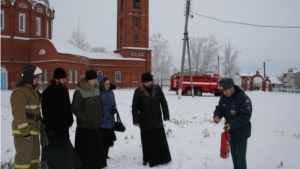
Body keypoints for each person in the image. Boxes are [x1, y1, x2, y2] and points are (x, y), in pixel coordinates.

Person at [41, 68, 81, 168]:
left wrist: (70, 119)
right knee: (54, 152)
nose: (65, 81)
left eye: (65, 79)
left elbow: (68, 106)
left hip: (63, 128)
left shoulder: (64, 90)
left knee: (63, 150)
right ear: (56, 80)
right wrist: (50, 128)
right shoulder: (48, 92)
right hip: (53, 129)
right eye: (63, 79)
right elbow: (47, 112)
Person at [132, 73, 172, 167]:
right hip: (145, 121)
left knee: (160, 140)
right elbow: (135, 107)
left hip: (157, 120)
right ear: (143, 82)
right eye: (146, 82)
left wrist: (166, 115)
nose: (149, 83)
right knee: (147, 141)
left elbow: (163, 102)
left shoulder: (157, 89)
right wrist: (136, 120)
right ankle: (147, 159)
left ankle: (163, 158)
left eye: (150, 81)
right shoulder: (138, 92)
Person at [213, 78, 252, 169]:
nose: (224, 93)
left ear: (232, 88)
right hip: (231, 132)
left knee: (240, 157)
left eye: (226, 90)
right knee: (234, 156)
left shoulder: (243, 99)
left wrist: (231, 124)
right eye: (223, 90)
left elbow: (246, 116)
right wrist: (217, 116)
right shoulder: (224, 96)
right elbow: (220, 108)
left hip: (241, 132)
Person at [71, 70, 107, 169]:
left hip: (95, 126)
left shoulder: (97, 88)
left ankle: (97, 165)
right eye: (93, 79)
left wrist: (101, 114)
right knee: (86, 151)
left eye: (96, 79)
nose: (95, 81)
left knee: (96, 150)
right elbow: (75, 108)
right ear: (87, 80)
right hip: (85, 127)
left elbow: (99, 104)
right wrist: (86, 118)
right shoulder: (79, 91)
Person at [10, 65, 43, 169]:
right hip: (24, 133)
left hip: (33, 130)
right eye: (36, 78)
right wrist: (25, 131)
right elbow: (18, 113)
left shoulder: (33, 92)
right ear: (29, 78)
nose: (38, 80)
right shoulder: (20, 92)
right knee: (23, 161)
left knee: (34, 159)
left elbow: (34, 111)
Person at [97, 75, 117, 159]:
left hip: (110, 119)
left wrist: (114, 109)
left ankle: (105, 155)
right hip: (101, 121)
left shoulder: (111, 92)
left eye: (109, 84)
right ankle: (101, 155)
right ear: (101, 84)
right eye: (106, 84)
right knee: (102, 140)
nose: (107, 86)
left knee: (108, 140)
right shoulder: (98, 93)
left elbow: (114, 103)